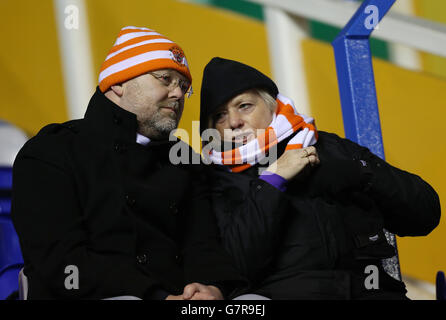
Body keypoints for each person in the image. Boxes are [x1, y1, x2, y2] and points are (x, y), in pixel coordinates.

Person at [11, 27, 245, 300]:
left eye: (183, 87)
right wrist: (154, 295)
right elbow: (62, 262)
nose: (179, 94)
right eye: (165, 79)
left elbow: (203, 245)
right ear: (119, 83)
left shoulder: (185, 159)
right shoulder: (51, 151)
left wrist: (212, 286)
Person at [199, 57, 441, 300]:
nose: (234, 122)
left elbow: (425, 214)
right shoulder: (216, 178)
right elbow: (235, 267)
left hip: (371, 290)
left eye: (244, 106)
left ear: (271, 105)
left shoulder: (330, 147)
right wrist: (273, 181)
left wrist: (362, 173)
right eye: (220, 115)